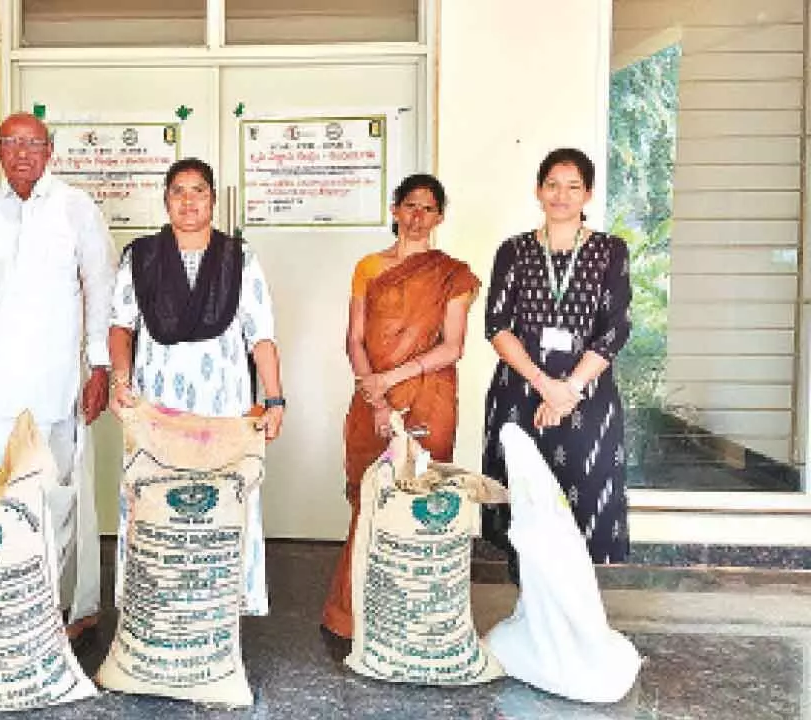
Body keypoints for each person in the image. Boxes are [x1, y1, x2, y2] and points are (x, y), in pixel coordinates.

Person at [0, 112, 116, 638]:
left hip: (56, 381)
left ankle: (61, 611)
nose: (23, 153)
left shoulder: (76, 209)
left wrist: (98, 366)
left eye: (33, 144)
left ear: (50, 151)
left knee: (57, 497)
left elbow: (100, 289)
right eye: (12, 143)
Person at [109, 157, 285, 616]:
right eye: (178, 192)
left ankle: (220, 607)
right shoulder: (141, 256)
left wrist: (275, 398)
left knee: (222, 497)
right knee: (154, 495)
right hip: (157, 403)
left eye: (198, 191)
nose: (189, 201)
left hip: (223, 403)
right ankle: (154, 604)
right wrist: (120, 380)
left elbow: (260, 334)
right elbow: (120, 326)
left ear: (213, 199)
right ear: (165, 200)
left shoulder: (238, 257)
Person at [320, 173, 480, 640]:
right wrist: (374, 394)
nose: (417, 217)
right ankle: (351, 616)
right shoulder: (369, 267)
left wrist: (387, 381)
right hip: (372, 398)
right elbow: (354, 338)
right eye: (409, 206)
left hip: (427, 398)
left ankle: (414, 618)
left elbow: (452, 347)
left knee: (421, 501)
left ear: (440, 217)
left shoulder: (453, 274)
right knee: (370, 498)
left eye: (428, 209)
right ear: (394, 210)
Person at [481, 148, 632, 580]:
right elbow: (496, 325)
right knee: (524, 502)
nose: (561, 195)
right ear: (537, 191)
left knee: (581, 501)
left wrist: (569, 390)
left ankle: (573, 618)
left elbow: (615, 328)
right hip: (521, 394)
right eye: (552, 185)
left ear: (588, 194)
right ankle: (528, 611)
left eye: (573, 187)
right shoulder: (513, 251)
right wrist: (545, 384)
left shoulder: (610, 252)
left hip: (587, 397)